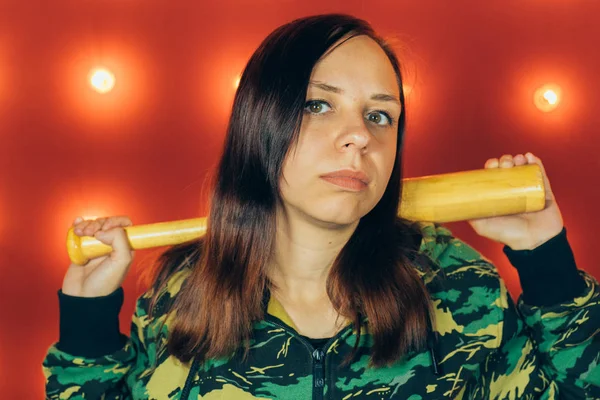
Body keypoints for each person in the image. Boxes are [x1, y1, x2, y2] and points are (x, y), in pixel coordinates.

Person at [42, 13, 599, 399]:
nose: (358, 135)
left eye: (379, 115)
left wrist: (550, 267)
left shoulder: (460, 287)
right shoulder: (179, 299)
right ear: (262, 123)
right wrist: (87, 325)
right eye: (318, 105)